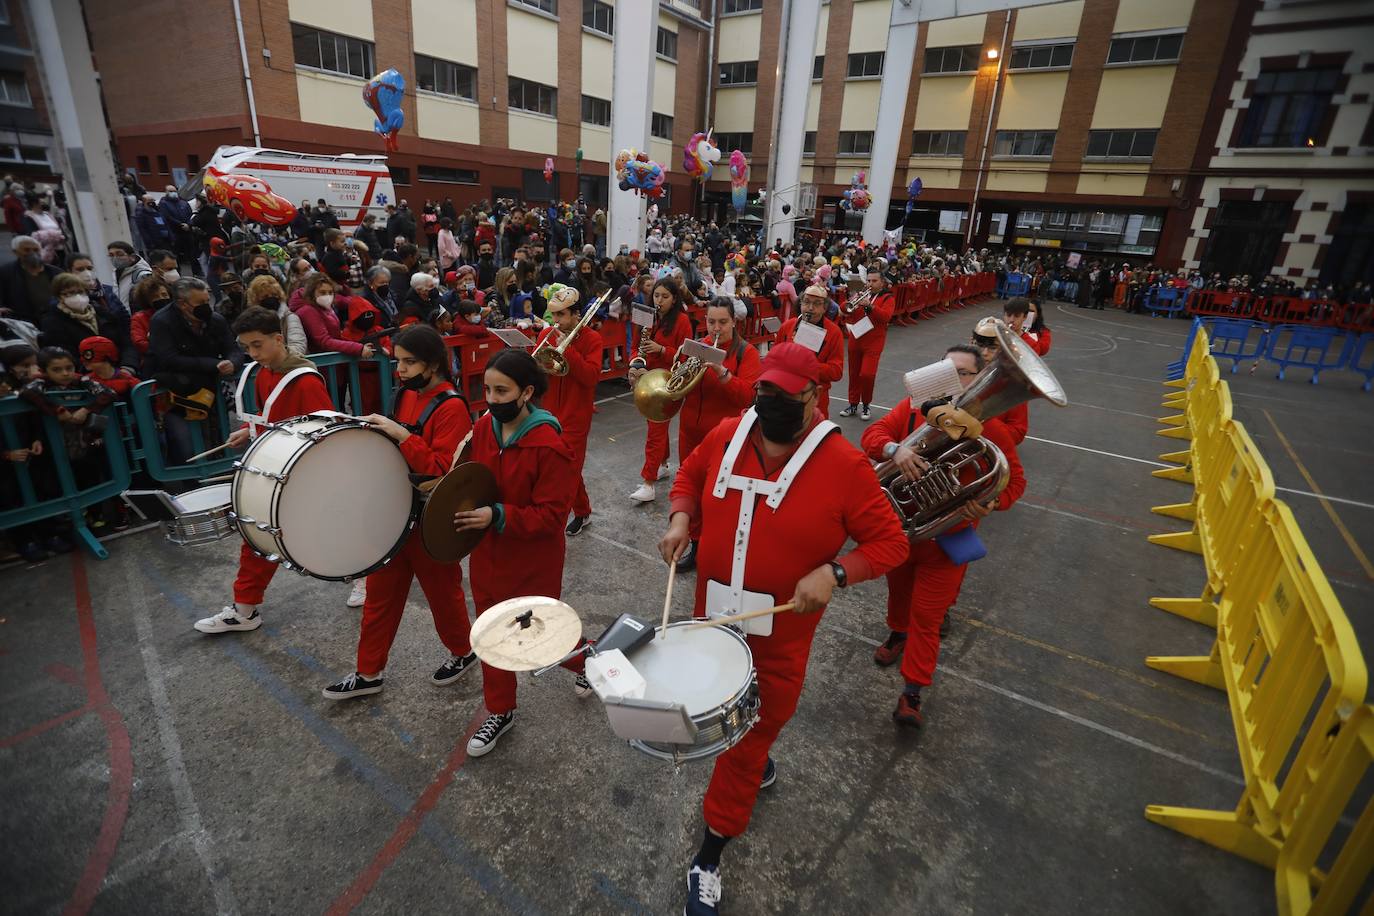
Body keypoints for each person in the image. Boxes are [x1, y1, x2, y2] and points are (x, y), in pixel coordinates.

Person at [657, 342, 908, 914]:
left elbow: (890, 541)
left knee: (742, 747)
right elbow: (691, 477)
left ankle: (710, 854)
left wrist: (837, 570)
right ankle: (758, 754)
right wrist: (679, 519)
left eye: (782, 395)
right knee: (720, 723)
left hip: (778, 644)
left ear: (814, 397)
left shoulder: (844, 465)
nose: (768, 401)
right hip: (709, 626)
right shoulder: (726, 433)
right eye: (762, 390)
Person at [860, 345, 1025, 727]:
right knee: (898, 594)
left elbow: (1015, 482)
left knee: (928, 616)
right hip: (902, 532)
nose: (953, 378)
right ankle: (897, 634)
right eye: (946, 369)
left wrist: (992, 502)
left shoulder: (991, 426)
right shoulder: (914, 409)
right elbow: (873, 434)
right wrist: (895, 449)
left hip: (948, 540)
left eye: (963, 372)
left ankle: (913, 691)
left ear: (979, 379)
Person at [323, 324, 478, 700]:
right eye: (398, 362)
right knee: (379, 596)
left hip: (428, 520)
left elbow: (443, 471)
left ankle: (463, 652)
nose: (401, 371)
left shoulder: (452, 406)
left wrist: (402, 436)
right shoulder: (405, 395)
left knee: (444, 595)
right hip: (394, 515)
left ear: (435, 363)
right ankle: (368, 671)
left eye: (409, 363)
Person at [454, 348, 589, 756]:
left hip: (532, 559)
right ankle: (500, 710)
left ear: (527, 392)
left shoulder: (550, 444)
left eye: (502, 391)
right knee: (492, 632)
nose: (492, 399)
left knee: (538, 632)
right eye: (487, 390)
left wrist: (496, 515)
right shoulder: (483, 429)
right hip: (488, 552)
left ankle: (587, 658)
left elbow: (550, 517)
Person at [191, 308, 335, 634]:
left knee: (336, 529)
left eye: (257, 345)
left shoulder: (304, 380)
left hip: (304, 473)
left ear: (279, 339)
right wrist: (250, 431)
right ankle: (245, 608)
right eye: (246, 348)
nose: (252, 354)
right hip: (278, 469)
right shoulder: (265, 371)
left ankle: (365, 578)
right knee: (256, 535)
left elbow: (325, 429)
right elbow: (270, 417)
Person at [673, 297, 761, 572]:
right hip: (690, 429)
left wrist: (722, 373)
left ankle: (720, 545)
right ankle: (697, 545)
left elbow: (748, 395)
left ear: (734, 322)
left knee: (718, 494)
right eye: (711, 322)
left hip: (723, 435)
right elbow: (678, 387)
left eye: (722, 322)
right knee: (694, 489)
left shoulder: (746, 353)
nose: (716, 328)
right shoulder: (697, 347)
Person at [147, 278, 243, 464]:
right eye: (200, 303)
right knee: (185, 445)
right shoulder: (162, 321)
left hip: (211, 393)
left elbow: (233, 349)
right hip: (176, 394)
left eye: (207, 301)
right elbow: (169, 359)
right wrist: (213, 364)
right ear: (183, 304)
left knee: (219, 440)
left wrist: (232, 363)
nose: (206, 306)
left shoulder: (215, 320)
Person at [533, 285, 603, 537]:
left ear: (576, 315)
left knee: (568, 469)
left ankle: (561, 517)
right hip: (549, 413)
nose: (557, 321)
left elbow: (592, 376)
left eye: (562, 315)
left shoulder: (592, 339)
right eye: (554, 315)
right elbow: (540, 374)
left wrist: (569, 351)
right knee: (561, 467)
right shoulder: (546, 336)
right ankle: (583, 510)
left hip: (576, 415)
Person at [628, 277, 694, 503]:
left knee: (654, 431)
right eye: (657, 295)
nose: (660, 300)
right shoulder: (647, 317)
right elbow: (635, 346)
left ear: (674, 298)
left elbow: (685, 357)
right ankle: (663, 464)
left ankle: (649, 483)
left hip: (667, 382)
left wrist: (662, 350)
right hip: (647, 377)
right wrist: (634, 365)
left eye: (665, 297)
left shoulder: (683, 321)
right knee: (655, 426)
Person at [773, 284, 844, 419]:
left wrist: (808, 365)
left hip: (815, 397)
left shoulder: (834, 332)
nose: (810, 308)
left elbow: (836, 372)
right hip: (785, 392)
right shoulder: (788, 326)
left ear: (825, 308)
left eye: (817, 304)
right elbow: (774, 359)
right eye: (806, 302)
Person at [837, 268, 895, 421]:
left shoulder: (887, 298)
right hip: (856, 338)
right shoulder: (862, 294)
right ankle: (853, 404)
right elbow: (844, 307)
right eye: (868, 280)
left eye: (874, 281)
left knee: (867, 375)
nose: (870, 283)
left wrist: (869, 306)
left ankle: (866, 405)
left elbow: (885, 317)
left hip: (874, 341)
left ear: (882, 282)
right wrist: (851, 303)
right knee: (854, 374)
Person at [0, 235, 62, 324]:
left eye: (36, 250)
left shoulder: (56, 272)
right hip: (24, 322)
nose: (32, 253)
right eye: (27, 250)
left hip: (57, 319)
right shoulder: (5, 273)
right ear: (16, 252)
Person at [245, 275, 308, 356]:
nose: (271, 299)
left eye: (274, 295)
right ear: (256, 300)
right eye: (265, 296)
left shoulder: (289, 318)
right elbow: (242, 345)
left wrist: (274, 358)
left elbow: (298, 347)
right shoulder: (250, 321)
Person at [108, 241, 153, 307]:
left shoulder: (142, 274)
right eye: (111, 255)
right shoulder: (117, 274)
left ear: (132, 257)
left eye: (119, 254)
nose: (115, 258)